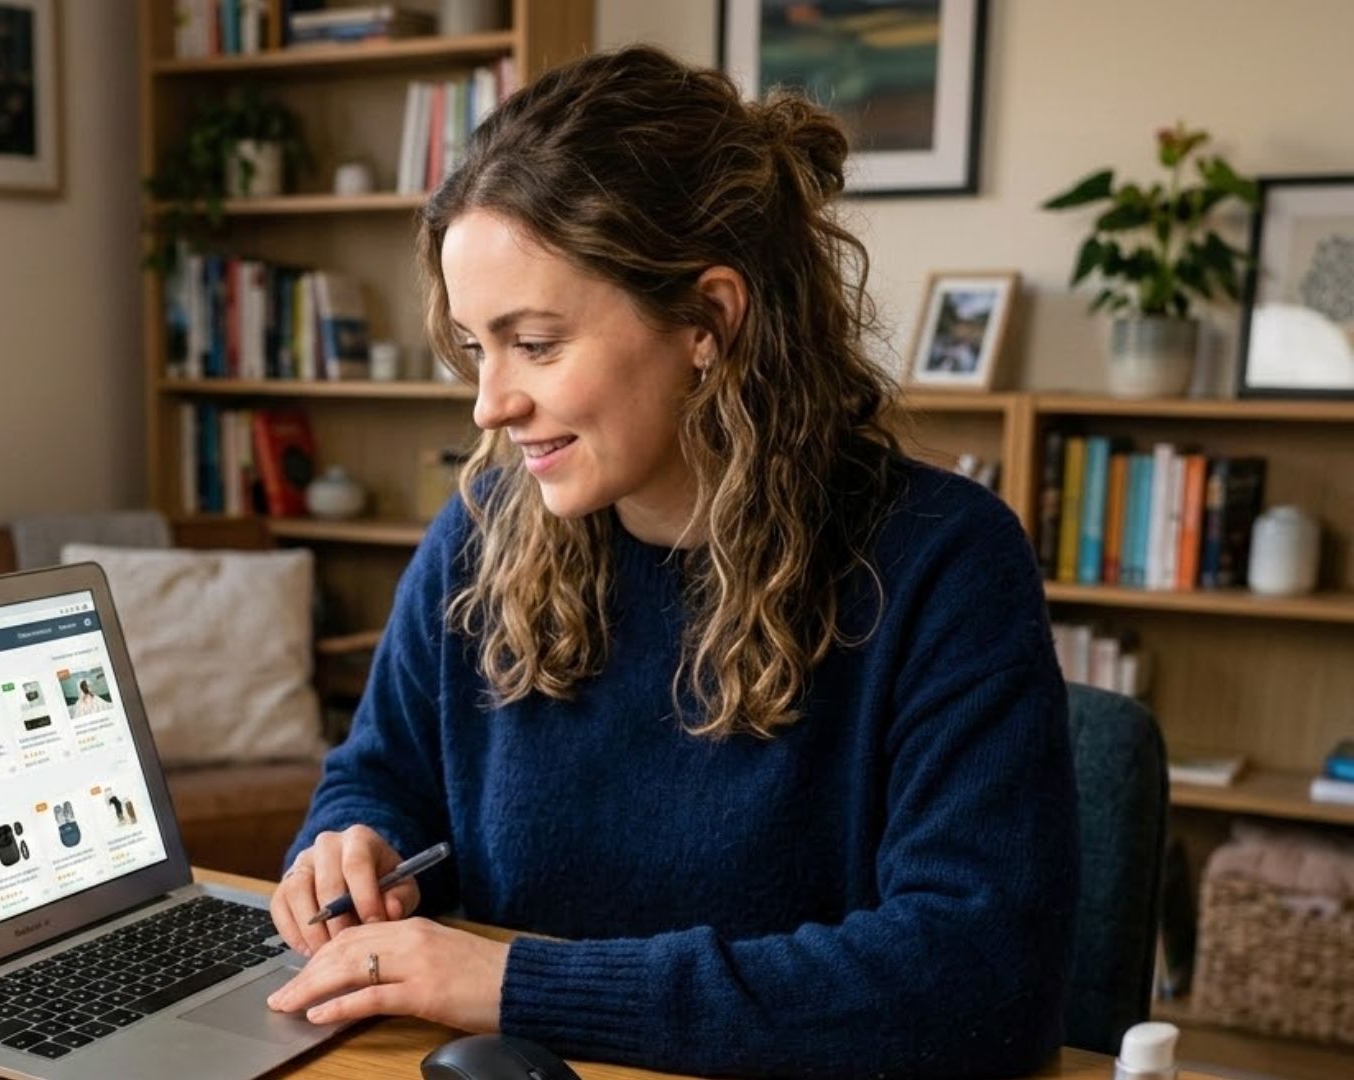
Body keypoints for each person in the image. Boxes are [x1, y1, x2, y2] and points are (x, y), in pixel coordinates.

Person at [262, 45, 1078, 1079]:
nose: (489, 403)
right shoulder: (480, 531)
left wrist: (510, 989)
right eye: (477, 348)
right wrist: (351, 841)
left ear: (709, 320)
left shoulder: (943, 565)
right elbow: (380, 778)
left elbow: (978, 981)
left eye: (538, 343)